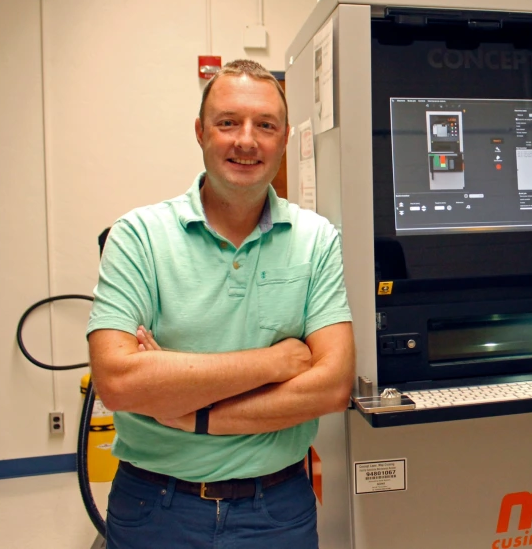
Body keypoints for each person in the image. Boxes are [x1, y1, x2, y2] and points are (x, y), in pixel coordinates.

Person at [87, 59, 355, 548]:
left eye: (265, 125)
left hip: (277, 509)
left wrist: (190, 410)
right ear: (200, 132)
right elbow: (120, 382)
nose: (246, 140)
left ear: (285, 137)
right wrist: (277, 361)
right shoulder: (139, 236)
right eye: (228, 122)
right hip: (155, 507)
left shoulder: (316, 240)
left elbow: (333, 386)